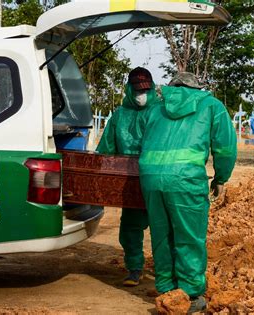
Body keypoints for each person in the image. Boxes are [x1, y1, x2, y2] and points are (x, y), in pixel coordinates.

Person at [139, 72, 237, 313]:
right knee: (189, 236)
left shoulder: (155, 108)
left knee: (161, 234)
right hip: (185, 179)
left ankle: (165, 288)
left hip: (150, 177)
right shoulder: (211, 105)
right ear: (198, 87)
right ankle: (191, 295)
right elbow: (225, 147)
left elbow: (143, 140)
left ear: (172, 88)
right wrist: (221, 177)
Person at [96, 67, 159, 287]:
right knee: (131, 228)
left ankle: (164, 271)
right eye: (137, 89)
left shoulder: (160, 113)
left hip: (155, 177)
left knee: (161, 226)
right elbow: (106, 149)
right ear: (129, 89)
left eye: (146, 90)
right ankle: (134, 268)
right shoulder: (119, 116)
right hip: (129, 180)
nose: (142, 94)